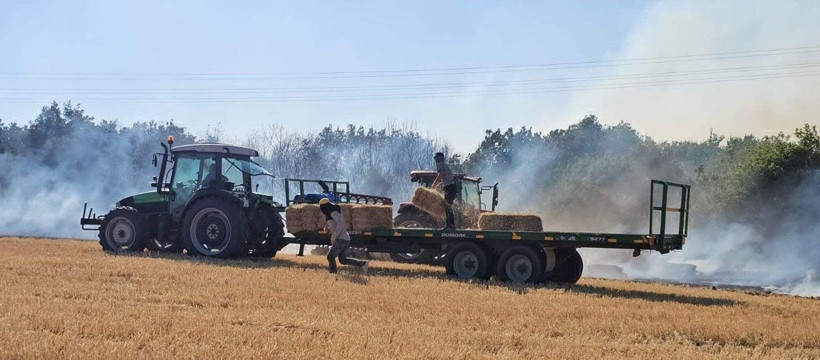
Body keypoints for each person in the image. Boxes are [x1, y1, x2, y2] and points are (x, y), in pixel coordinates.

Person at [319, 198, 369, 274]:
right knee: (343, 260)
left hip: (341, 239)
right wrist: (328, 229)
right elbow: (337, 224)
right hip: (345, 238)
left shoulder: (332, 212)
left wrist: (335, 234)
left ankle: (333, 273)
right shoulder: (333, 212)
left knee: (330, 257)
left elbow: (341, 222)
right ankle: (363, 264)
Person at [432, 152, 457, 229]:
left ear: (438, 158)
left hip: (449, 187)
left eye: (436, 158)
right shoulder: (445, 165)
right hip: (451, 186)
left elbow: (440, 174)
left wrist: (434, 184)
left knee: (447, 206)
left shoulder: (440, 164)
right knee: (447, 206)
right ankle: (450, 225)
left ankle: (450, 226)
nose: (435, 160)